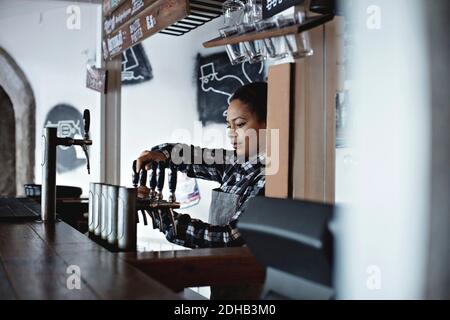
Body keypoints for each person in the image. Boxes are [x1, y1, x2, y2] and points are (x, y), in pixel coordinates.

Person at [135, 82, 267, 299]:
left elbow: (229, 240)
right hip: (223, 289)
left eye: (240, 124)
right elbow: (194, 156)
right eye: (228, 126)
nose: (231, 134)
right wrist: (160, 154)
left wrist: (165, 218)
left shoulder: (268, 178)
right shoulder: (237, 163)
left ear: (268, 123)